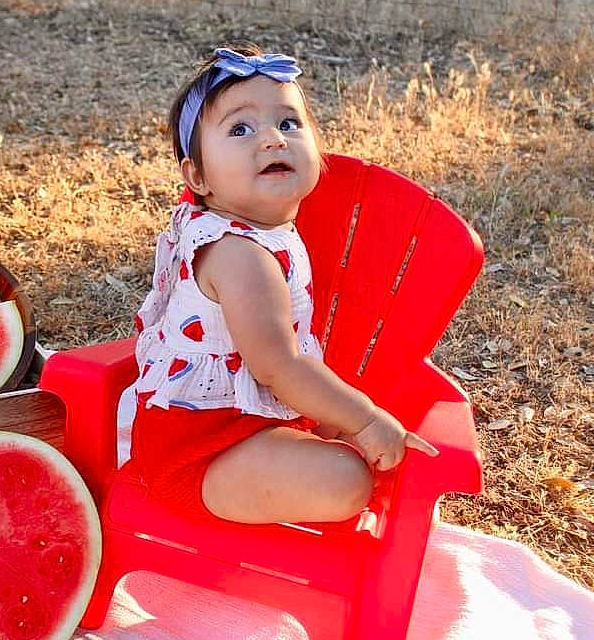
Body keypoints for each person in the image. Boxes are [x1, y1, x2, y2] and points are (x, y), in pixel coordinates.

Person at [117, 43, 437, 526]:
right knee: (345, 479)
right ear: (198, 176)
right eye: (240, 129)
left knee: (346, 455)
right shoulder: (238, 254)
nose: (271, 139)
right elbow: (278, 366)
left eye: (288, 123)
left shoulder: (266, 231)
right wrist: (364, 417)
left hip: (247, 424)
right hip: (198, 453)